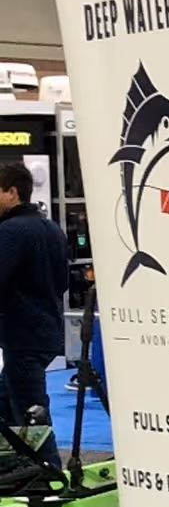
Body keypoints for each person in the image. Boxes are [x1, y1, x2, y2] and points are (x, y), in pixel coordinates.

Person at [0, 163, 68, 470]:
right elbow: (64, 281)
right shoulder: (51, 228)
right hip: (46, 332)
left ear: (12, 192)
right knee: (6, 400)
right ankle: (15, 464)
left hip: (23, 335)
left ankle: (48, 471)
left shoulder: (11, 231)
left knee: (30, 409)